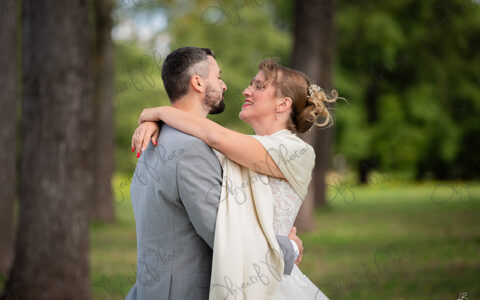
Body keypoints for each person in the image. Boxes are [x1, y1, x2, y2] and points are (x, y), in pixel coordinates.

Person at [132, 55, 338, 299]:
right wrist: (158, 123)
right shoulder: (240, 149)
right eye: (251, 84)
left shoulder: (296, 152)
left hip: (269, 279)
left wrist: (157, 113)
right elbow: (206, 140)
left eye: (259, 86)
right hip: (244, 274)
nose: (245, 90)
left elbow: (216, 137)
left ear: (282, 104)